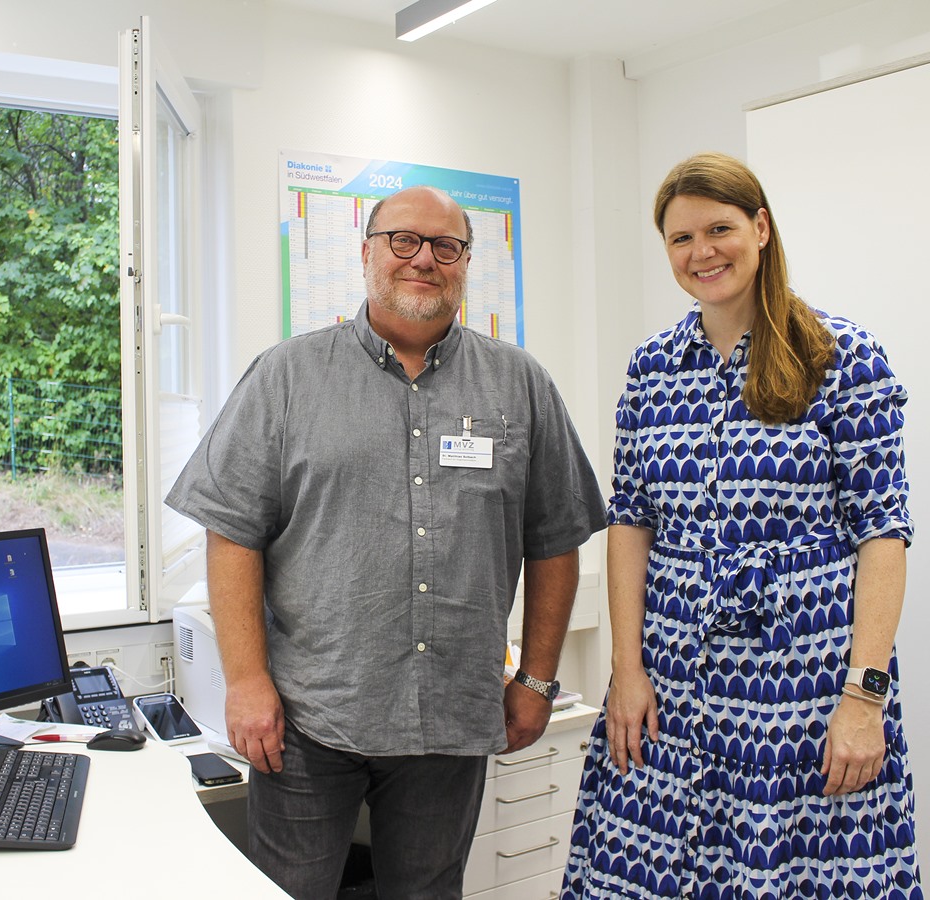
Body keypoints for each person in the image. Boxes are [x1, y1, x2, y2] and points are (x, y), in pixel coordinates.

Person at [167, 184, 607, 900]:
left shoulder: (519, 384)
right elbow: (233, 533)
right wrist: (245, 683)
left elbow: (557, 540)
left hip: (453, 719)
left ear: (465, 263)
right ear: (368, 253)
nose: (423, 260)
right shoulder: (287, 376)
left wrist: (536, 680)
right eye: (404, 240)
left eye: (445, 246)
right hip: (310, 717)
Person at [562, 152, 921, 898]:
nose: (703, 253)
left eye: (719, 228)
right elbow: (630, 521)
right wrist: (626, 670)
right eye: (680, 239)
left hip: (801, 694)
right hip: (668, 685)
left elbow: (883, 532)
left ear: (760, 228)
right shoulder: (653, 368)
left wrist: (864, 698)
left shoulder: (841, 359)